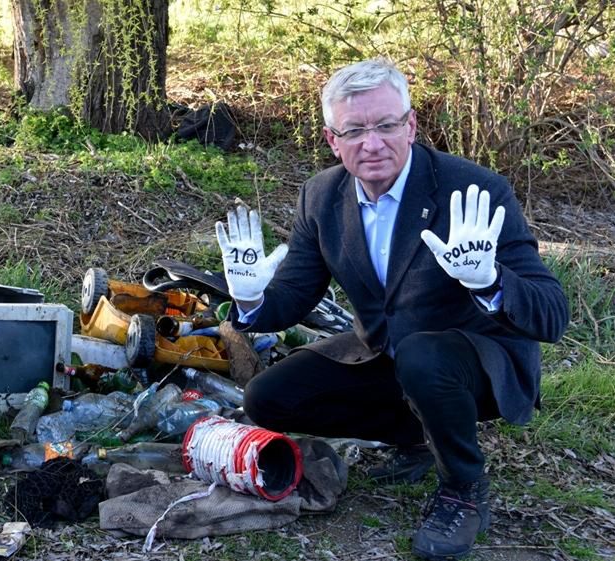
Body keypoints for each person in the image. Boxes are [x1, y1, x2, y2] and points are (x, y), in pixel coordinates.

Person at [215, 59, 568, 561]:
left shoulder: (473, 190)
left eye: (385, 125)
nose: (372, 143)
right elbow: (295, 295)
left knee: (426, 358)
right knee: (267, 399)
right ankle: (418, 437)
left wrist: (490, 281)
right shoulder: (321, 195)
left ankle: (464, 489)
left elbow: (552, 313)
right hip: (389, 353)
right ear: (332, 139)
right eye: (354, 130)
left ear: (411, 124)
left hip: (478, 361)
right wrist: (250, 298)